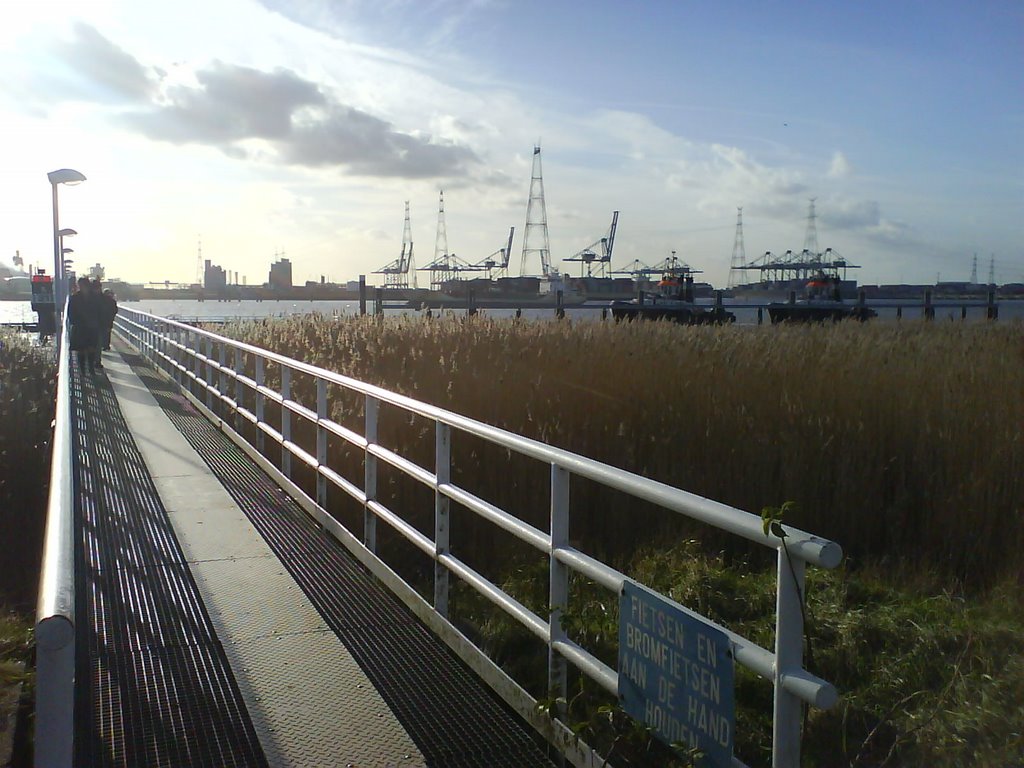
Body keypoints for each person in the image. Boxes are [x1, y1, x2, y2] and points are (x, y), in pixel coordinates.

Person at [68, 277, 102, 376]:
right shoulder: (75, 298)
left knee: (92, 349)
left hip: (92, 327)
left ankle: (91, 369)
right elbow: (71, 312)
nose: (82, 287)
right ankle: (82, 370)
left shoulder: (95, 298)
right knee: (81, 350)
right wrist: (75, 322)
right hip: (80, 327)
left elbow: (100, 311)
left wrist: (98, 323)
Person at [100, 287, 118, 352]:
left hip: (102, 319)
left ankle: (102, 344)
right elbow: (115, 310)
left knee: (102, 332)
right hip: (109, 319)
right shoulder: (112, 301)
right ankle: (106, 345)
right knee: (108, 332)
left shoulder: (101, 300)